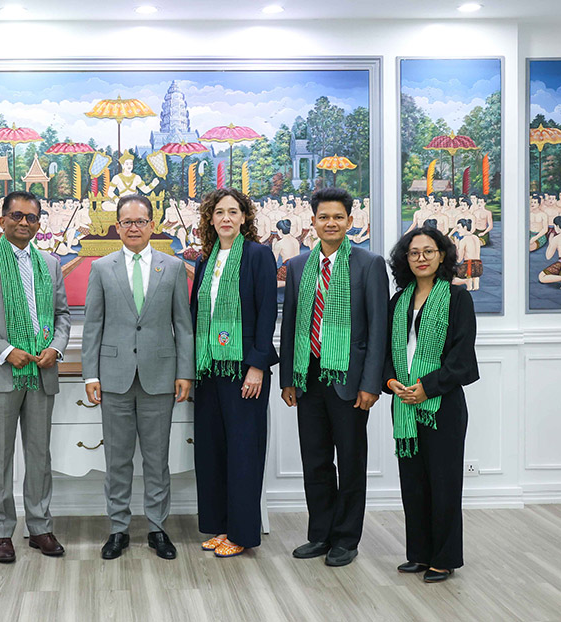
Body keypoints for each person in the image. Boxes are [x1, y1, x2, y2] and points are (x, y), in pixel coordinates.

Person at [280, 187, 388, 567]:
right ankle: (320, 534)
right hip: (308, 377)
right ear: (313, 222)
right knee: (316, 461)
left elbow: (378, 329)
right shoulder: (298, 266)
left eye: (338, 217)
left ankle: (346, 539)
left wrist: (371, 384)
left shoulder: (369, 264)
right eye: (323, 217)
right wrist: (288, 378)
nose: (330, 223)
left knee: (351, 462)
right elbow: (290, 325)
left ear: (350, 221)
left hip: (350, 382)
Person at [82, 193, 193, 561]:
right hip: (113, 378)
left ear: (152, 225)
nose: (134, 227)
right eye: (127, 222)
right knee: (117, 460)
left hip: (160, 376)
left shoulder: (172, 267)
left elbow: (183, 325)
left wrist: (185, 372)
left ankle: (158, 529)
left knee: (157, 460)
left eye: (140, 221)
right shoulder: (102, 268)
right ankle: (118, 528)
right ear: (117, 226)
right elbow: (93, 325)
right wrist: (90, 375)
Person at [0, 190, 71, 564]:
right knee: (0, 455)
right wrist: (7, 351)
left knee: (39, 454)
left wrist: (56, 348)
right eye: (17, 216)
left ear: (39, 223)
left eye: (32, 217)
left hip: (42, 370)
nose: (24, 222)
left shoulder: (50, 264)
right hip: (0, 372)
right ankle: (1, 533)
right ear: (2, 220)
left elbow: (62, 315)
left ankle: (39, 527)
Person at [383, 226, 478, 583]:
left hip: (442, 406)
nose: (421, 258)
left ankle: (444, 558)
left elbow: (462, 359)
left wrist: (427, 388)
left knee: (444, 482)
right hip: (404, 403)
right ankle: (419, 554)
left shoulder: (457, 298)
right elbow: (388, 353)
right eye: (413, 253)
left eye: (428, 251)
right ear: (405, 260)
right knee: (414, 483)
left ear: (442, 256)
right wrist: (390, 381)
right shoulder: (399, 300)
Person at [189, 189, 278, 558]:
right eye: (219, 212)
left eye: (233, 212)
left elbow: (267, 311)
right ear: (210, 219)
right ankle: (221, 526)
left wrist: (257, 365)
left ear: (244, 218)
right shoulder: (204, 261)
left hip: (244, 369)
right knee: (212, 451)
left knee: (243, 452)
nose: (226, 218)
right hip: (209, 369)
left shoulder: (258, 255)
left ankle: (242, 533)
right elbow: (196, 314)